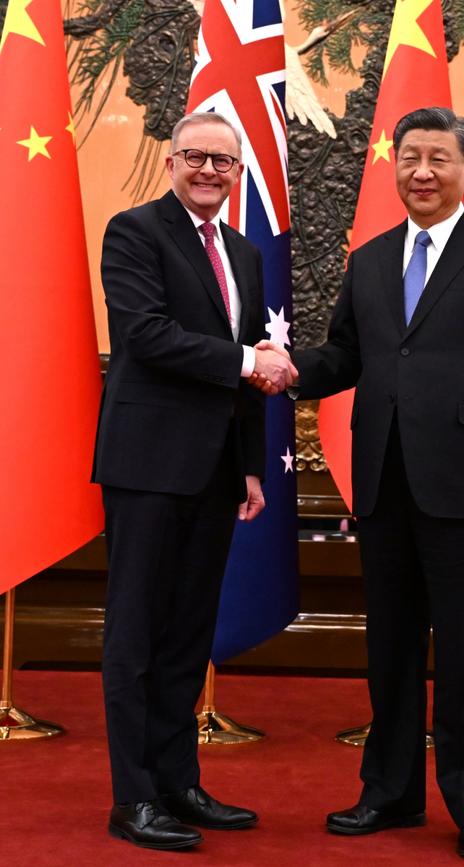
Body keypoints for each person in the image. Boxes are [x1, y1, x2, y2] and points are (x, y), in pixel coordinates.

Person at [256, 106, 464, 859]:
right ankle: (388, 792)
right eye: (409, 158)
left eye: (438, 159)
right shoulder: (371, 258)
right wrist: (292, 369)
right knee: (389, 648)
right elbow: (348, 356)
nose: (422, 171)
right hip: (385, 482)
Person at [92, 111, 297, 851]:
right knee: (137, 633)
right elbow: (143, 335)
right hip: (147, 467)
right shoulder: (134, 231)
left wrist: (249, 464)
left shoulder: (243, 253)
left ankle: (178, 781)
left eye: (224, 161)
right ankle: (133, 797)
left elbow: (240, 372)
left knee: (187, 634)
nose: (210, 170)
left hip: (215, 472)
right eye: (197, 157)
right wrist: (248, 362)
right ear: (172, 160)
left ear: (238, 174)